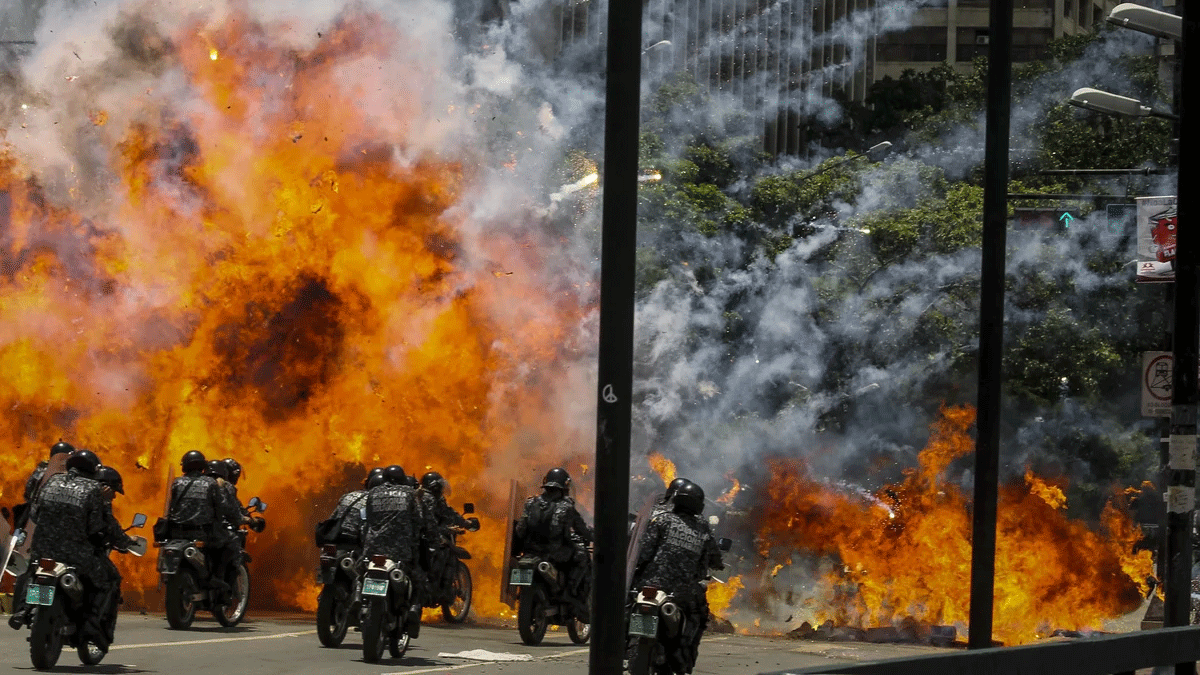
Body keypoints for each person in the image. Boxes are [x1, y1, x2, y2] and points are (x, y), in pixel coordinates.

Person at [14, 450, 114, 648]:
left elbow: (35, 514)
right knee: (107, 580)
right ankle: (91, 624)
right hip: (76, 556)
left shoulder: (51, 482)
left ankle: (24, 609)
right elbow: (95, 527)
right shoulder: (93, 488)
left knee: (34, 571)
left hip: (44, 550)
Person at [631, 480, 725, 674]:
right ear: (698, 505)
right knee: (699, 616)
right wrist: (718, 563)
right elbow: (713, 556)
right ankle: (683, 661)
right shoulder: (702, 528)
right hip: (683, 592)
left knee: (629, 602)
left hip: (652, 586)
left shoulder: (662, 519)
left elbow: (645, 551)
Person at [361, 465, 436, 638]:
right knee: (420, 578)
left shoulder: (373, 493)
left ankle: (360, 599)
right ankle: (414, 609)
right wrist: (428, 537)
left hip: (373, 548)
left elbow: (368, 519)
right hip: (401, 550)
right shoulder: (409, 493)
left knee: (361, 572)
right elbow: (419, 520)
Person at [164, 450, 246, 593]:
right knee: (232, 542)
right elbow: (223, 506)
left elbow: (172, 507)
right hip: (203, 533)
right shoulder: (211, 484)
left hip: (177, 532)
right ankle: (218, 578)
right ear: (202, 466)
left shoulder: (177, 482)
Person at [513, 467, 594, 612]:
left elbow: (520, 530)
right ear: (565, 486)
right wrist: (592, 536)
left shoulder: (530, 503)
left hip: (530, 552)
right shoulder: (566, 506)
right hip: (555, 554)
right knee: (582, 556)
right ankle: (570, 592)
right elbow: (581, 529)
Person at [91, 465, 138, 650]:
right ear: (107, 488)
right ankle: (97, 626)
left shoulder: (60, 487)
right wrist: (126, 542)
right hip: (80, 553)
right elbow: (109, 527)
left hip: (48, 549)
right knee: (112, 580)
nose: (114, 497)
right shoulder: (98, 498)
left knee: (36, 577)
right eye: (114, 492)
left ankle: (27, 608)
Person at [418, 471, 472, 592]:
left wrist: (462, 522)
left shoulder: (422, 496)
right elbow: (429, 524)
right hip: (427, 537)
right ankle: (434, 582)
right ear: (435, 487)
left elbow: (447, 513)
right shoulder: (430, 499)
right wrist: (450, 528)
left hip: (417, 537)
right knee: (445, 549)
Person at [15, 440, 75, 529]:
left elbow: (28, 491)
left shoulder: (41, 470)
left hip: (33, 515)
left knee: (20, 531)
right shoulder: (67, 476)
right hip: (53, 521)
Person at [320, 468, 380, 549]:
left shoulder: (348, 496)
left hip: (336, 537)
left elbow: (333, 518)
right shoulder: (376, 502)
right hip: (356, 540)